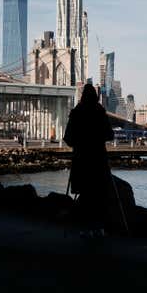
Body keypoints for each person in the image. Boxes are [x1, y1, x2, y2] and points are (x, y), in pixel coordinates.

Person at [63, 84, 114, 238]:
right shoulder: (100, 112)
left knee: (84, 194)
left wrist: (79, 143)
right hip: (98, 159)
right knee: (99, 194)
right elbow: (110, 135)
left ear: (82, 96)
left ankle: (85, 227)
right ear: (96, 97)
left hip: (81, 159)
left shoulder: (76, 113)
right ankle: (99, 228)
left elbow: (68, 138)